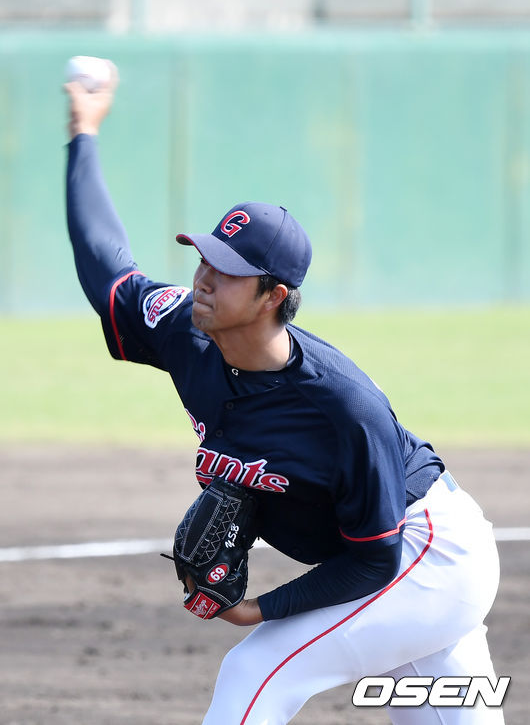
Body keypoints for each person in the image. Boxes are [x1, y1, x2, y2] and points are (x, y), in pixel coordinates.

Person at [64, 72, 504, 725]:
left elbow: (375, 558)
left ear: (273, 296)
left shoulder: (343, 406)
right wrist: (84, 132)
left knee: (256, 669)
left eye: (227, 272)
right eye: (205, 258)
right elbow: (105, 263)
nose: (203, 279)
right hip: (407, 568)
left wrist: (259, 610)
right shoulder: (184, 328)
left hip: (427, 555)